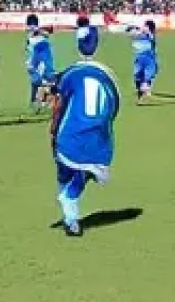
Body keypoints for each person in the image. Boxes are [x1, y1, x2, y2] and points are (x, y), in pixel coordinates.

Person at [50, 59, 121, 237]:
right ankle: (70, 206)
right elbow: (112, 114)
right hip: (99, 142)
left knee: (63, 160)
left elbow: (59, 108)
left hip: (71, 137)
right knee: (89, 168)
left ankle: (69, 211)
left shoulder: (69, 78)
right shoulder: (107, 85)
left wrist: (53, 128)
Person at [25, 14, 57, 112]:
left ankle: (39, 101)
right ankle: (39, 101)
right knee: (42, 81)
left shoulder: (37, 34)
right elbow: (48, 33)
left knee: (41, 82)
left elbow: (48, 32)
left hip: (38, 60)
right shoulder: (33, 35)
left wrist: (38, 30)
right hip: (38, 60)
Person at [126, 20, 159, 101]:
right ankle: (141, 92)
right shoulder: (139, 34)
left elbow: (148, 35)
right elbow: (130, 34)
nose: (143, 26)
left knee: (147, 76)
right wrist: (131, 28)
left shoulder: (151, 35)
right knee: (137, 77)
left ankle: (145, 91)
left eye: (145, 25)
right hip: (139, 58)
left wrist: (139, 29)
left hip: (149, 58)